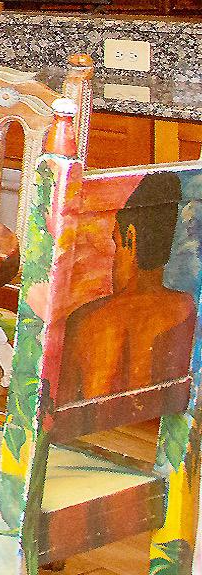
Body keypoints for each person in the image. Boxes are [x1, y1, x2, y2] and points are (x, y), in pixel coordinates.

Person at [57, 170, 196, 402]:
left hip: (94, 438)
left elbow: (57, 415)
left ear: (130, 238)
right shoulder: (190, 309)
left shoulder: (86, 322)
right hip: (153, 435)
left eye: (116, 242)